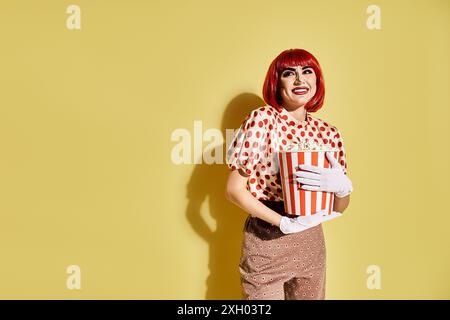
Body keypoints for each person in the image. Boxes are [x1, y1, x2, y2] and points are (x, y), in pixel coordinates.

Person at [225, 48, 353, 300]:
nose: (299, 79)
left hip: (311, 242)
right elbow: (233, 190)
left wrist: (343, 189)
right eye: (288, 73)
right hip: (266, 241)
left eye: (307, 71)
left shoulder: (328, 133)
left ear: (317, 80)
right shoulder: (263, 120)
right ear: (276, 81)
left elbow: (339, 207)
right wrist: (283, 222)